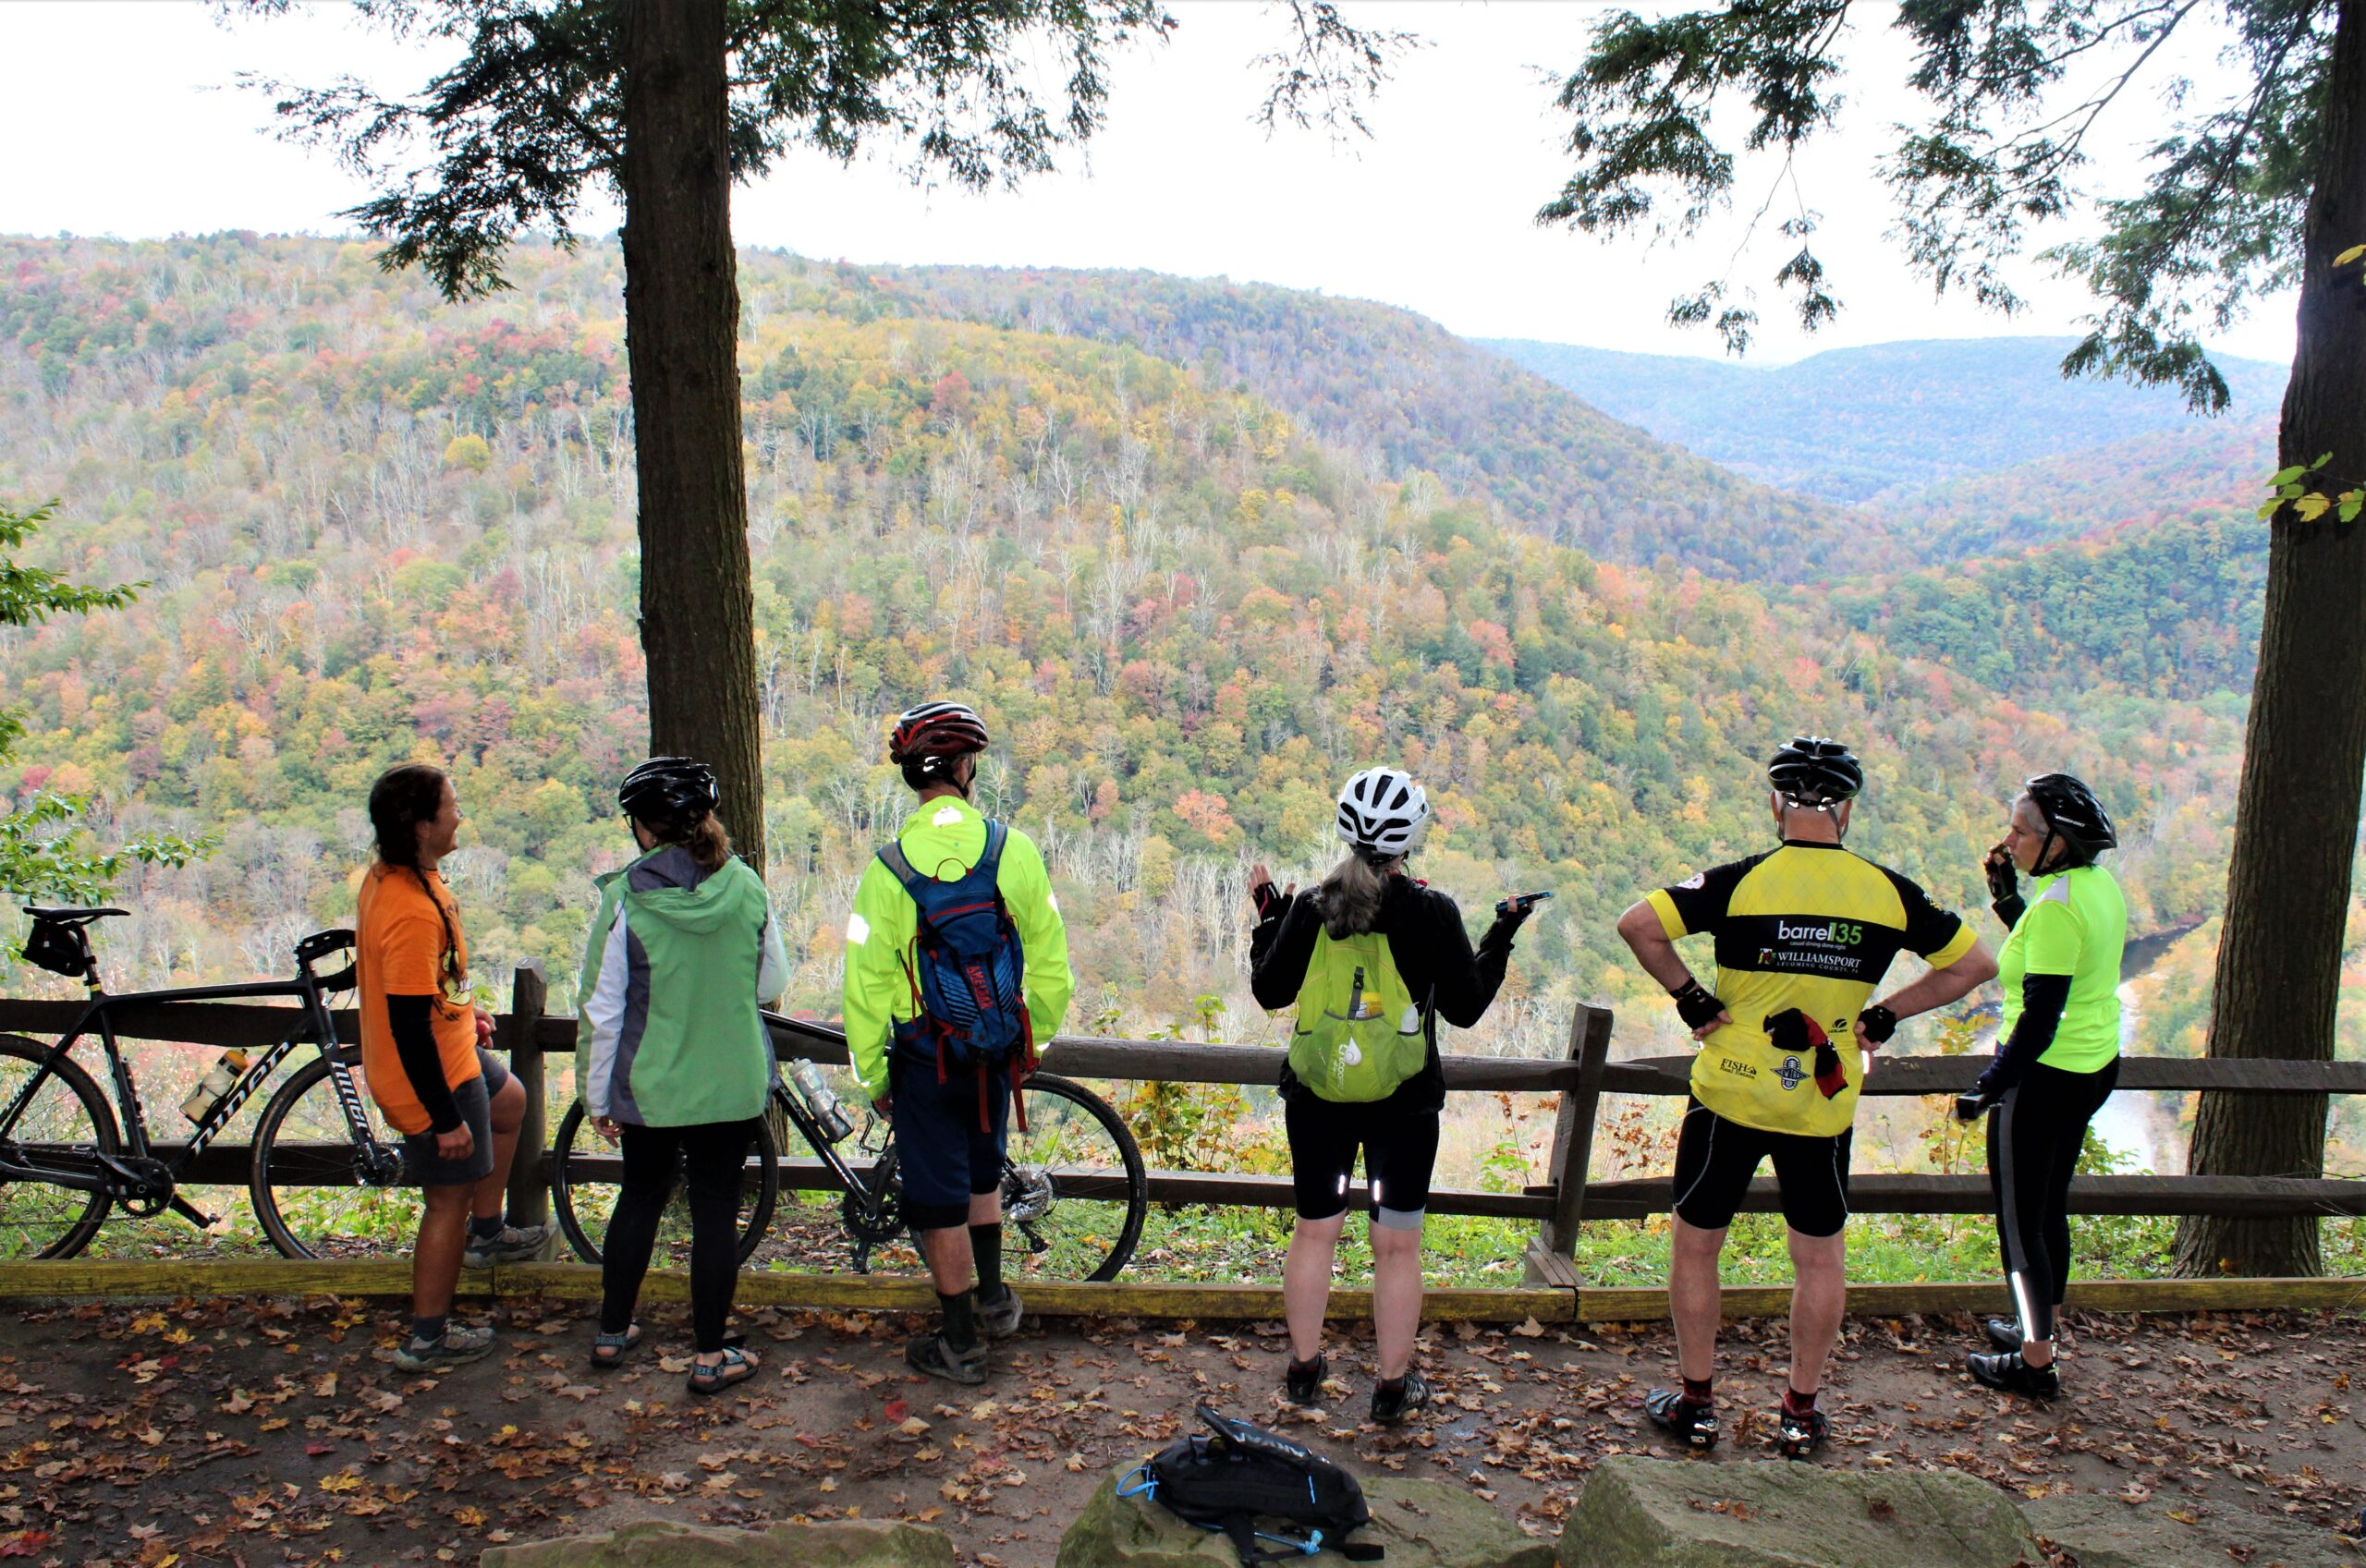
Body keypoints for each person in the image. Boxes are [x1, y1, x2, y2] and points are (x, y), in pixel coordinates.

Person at [1615, 736, 1996, 1454]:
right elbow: (1975, 963)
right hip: (1820, 1101)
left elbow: (1638, 924)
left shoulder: (1740, 880)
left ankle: (1696, 1404)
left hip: (1729, 1092)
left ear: (1775, 803)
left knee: (1698, 1246)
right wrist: (1885, 1014)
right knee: (1819, 1256)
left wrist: (1693, 998)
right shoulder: (1887, 892)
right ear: (1847, 809)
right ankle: (1799, 1411)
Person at [1247, 766, 1532, 1426]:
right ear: (1413, 838)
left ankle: (1303, 1370)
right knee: (1397, 1244)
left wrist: (1269, 918)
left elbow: (1270, 991)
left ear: (1345, 831)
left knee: (1316, 1231)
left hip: (1318, 1096)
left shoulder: (1310, 907)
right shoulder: (1432, 912)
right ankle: (1392, 1386)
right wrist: (1502, 934)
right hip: (1404, 1102)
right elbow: (1464, 1007)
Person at [842, 700, 1075, 1385]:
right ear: (967, 769)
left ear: (915, 779)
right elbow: (1053, 962)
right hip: (993, 1054)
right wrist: (1029, 1041)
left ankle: (960, 1341)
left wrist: (873, 1076)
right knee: (982, 1173)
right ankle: (995, 1296)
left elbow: (864, 983)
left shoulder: (887, 870)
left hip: (922, 1057)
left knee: (937, 1197)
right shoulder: (1014, 850)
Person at [578, 757, 789, 1394]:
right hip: (729, 1083)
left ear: (643, 829)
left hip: (653, 1085)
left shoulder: (625, 899)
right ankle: (709, 1354)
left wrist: (597, 1097)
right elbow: (772, 980)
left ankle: (613, 1332)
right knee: (715, 1211)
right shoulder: (745, 885)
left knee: (639, 1197)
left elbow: (603, 1007)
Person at [357, 763, 551, 1374]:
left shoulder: (396, 877)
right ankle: (427, 1337)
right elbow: (409, 1026)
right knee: (446, 1199)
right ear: (422, 826)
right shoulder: (409, 907)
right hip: (436, 1076)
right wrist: (444, 1120)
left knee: (512, 1101)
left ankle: (487, 1232)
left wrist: (466, 1009)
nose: (459, 814)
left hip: (457, 1050)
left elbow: (427, 986)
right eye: (451, 806)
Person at [1955, 773, 2126, 1400]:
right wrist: (2005, 902)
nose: (2010, 840)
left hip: (2040, 1078)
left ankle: (2035, 1360)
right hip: (2089, 1068)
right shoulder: (2094, 888)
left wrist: (1990, 1085)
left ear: (2058, 841)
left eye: (2022, 830)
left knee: (2020, 1225)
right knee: (2048, 1204)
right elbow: (2050, 955)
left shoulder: (2058, 904)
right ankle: (2040, 1325)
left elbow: (2039, 1014)